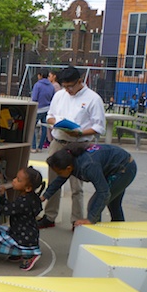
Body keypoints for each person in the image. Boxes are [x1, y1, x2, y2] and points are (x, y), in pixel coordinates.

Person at [37, 66, 106, 230]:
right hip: (59, 141)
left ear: (80, 81)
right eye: (64, 86)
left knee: (76, 185)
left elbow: (99, 127)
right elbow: (50, 116)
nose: (68, 90)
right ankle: (50, 215)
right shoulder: (60, 95)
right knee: (54, 180)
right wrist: (58, 123)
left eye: (71, 86)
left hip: (79, 145)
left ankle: (77, 219)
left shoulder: (93, 99)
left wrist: (80, 132)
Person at [42, 143, 137, 226]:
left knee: (94, 204)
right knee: (113, 204)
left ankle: (95, 236)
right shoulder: (70, 160)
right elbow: (59, 180)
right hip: (117, 164)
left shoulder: (88, 166)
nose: (58, 175)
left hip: (124, 168)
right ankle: (117, 234)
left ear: (68, 168)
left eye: (59, 172)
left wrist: (90, 219)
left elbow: (103, 192)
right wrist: (45, 196)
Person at [0, 167, 45, 271]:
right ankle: (20, 252)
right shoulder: (32, 198)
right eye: (15, 177)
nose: (14, 180)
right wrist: (2, 197)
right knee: (0, 230)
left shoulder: (22, 202)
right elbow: (12, 209)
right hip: (28, 235)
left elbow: (0, 210)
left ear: (28, 188)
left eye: (18, 180)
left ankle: (28, 255)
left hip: (24, 238)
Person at [31, 69, 55, 153]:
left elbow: (34, 98)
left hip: (38, 109)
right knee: (44, 128)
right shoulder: (51, 86)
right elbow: (53, 98)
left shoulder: (37, 85)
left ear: (40, 75)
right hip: (47, 109)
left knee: (32, 127)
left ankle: (33, 147)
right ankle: (40, 147)